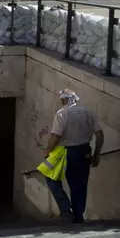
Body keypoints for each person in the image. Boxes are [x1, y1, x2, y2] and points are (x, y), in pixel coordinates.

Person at [44, 89, 104, 224]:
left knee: (49, 174)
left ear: (63, 100)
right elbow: (100, 134)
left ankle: (65, 209)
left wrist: (47, 150)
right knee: (80, 184)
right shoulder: (87, 112)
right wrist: (97, 153)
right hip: (85, 151)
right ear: (76, 99)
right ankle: (78, 216)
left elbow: (56, 136)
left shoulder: (61, 113)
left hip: (66, 152)